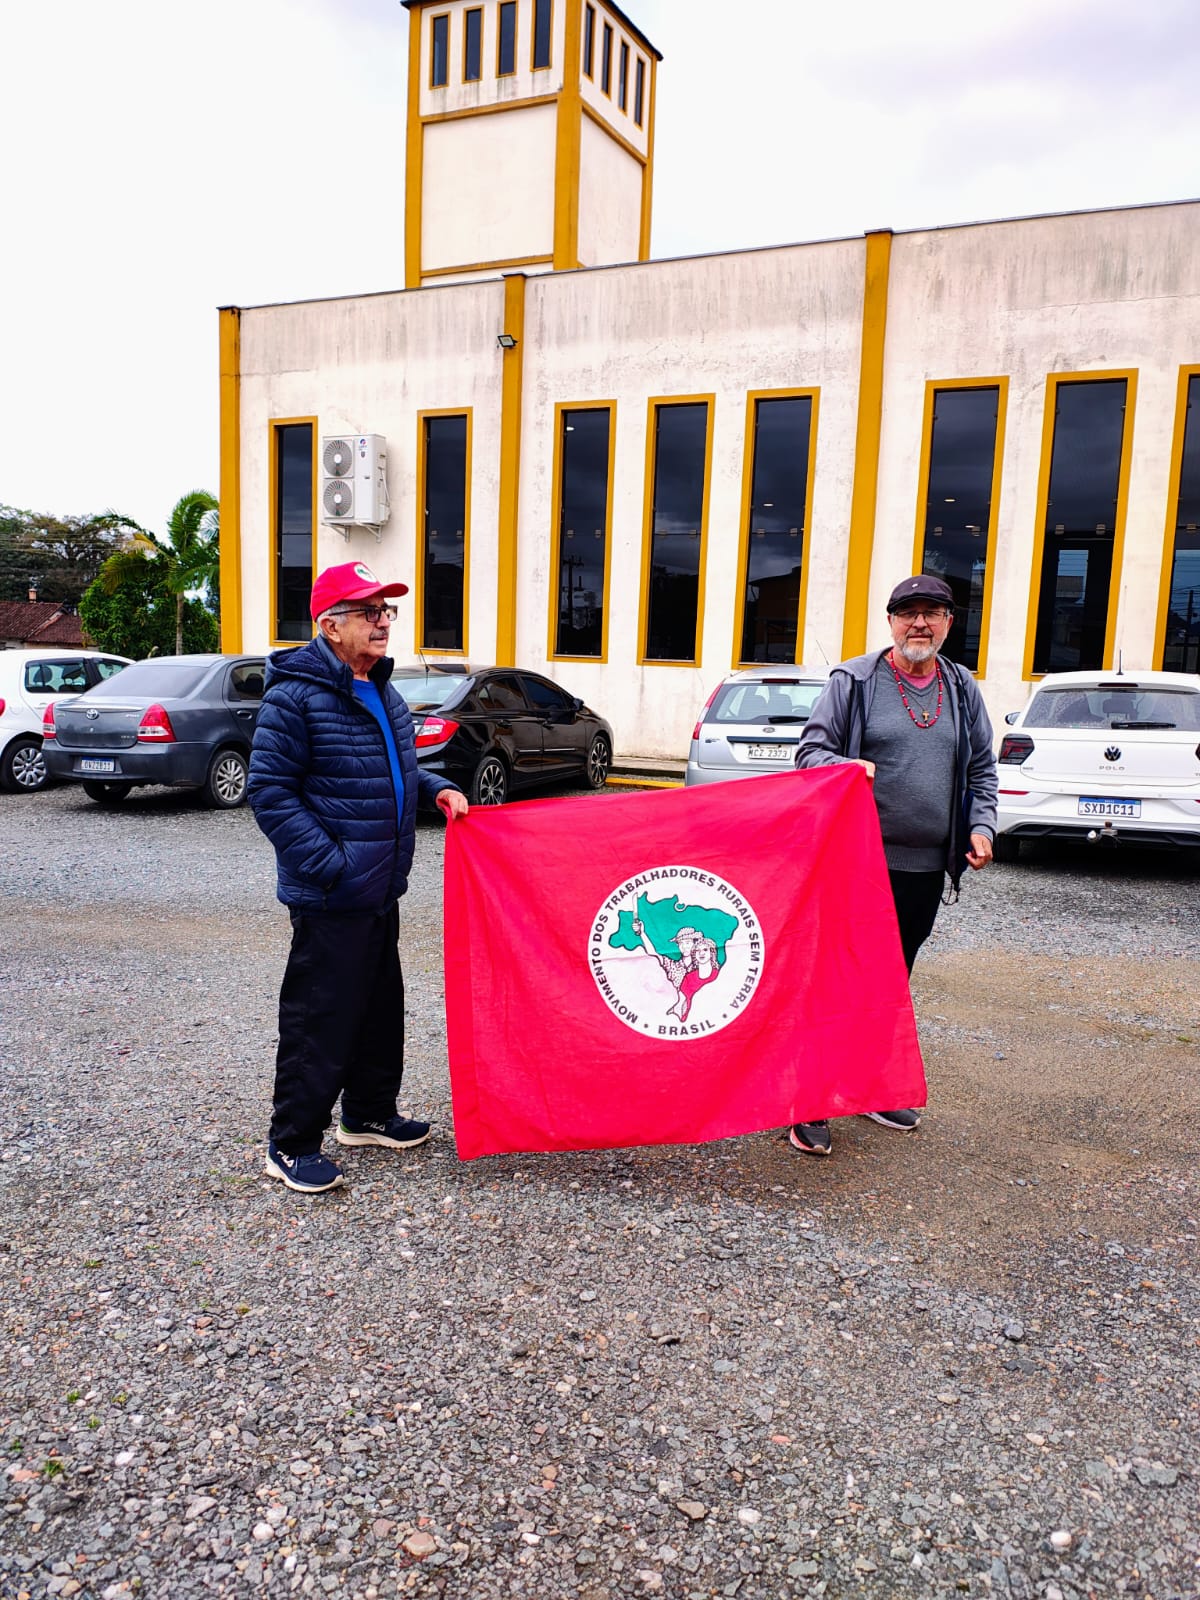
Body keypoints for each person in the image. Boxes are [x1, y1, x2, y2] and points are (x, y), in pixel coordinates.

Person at [248, 561, 469, 1194]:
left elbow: (397, 770)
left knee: (377, 1008)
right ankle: (292, 1143)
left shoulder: (383, 691)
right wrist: (333, 866)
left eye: (386, 610)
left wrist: (437, 788)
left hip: (379, 886)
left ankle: (368, 1114)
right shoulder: (296, 696)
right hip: (333, 891)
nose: (382, 621)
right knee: (321, 1017)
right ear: (329, 624)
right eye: (368, 611)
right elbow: (269, 793)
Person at [789, 574, 997, 1157]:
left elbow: (982, 768)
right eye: (909, 613)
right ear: (891, 621)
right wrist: (847, 766)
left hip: (925, 867)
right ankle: (809, 1101)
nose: (919, 624)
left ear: (949, 623)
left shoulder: (961, 687)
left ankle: (869, 1090)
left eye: (932, 613)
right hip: (855, 862)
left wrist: (981, 827)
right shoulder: (854, 681)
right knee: (838, 979)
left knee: (890, 982)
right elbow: (809, 753)